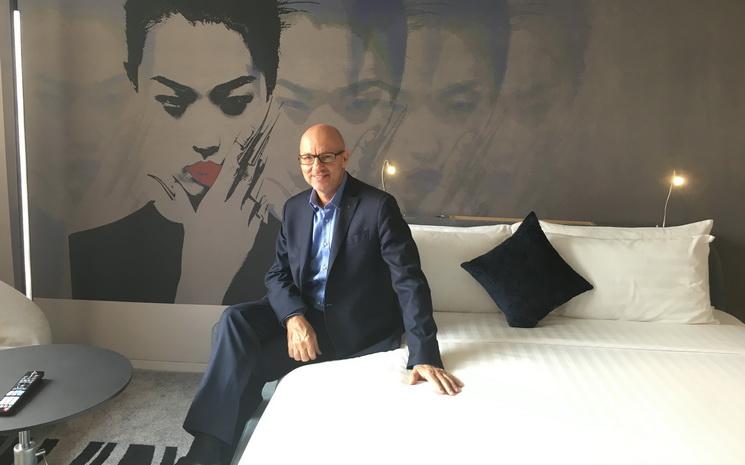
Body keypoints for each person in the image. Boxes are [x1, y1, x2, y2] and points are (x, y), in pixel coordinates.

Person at [178, 124, 463, 465]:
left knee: (246, 364)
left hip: (348, 327)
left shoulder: (378, 206)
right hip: (303, 312)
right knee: (232, 321)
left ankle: (207, 455)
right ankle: (208, 452)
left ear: (344, 157)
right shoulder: (294, 208)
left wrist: (425, 355)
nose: (316, 166)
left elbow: (409, 281)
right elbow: (278, 274)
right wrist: (293, 318)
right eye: (308, 158)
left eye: (326, 156)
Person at [68, 0, 285, 304]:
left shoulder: (303, 249)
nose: (205, 140)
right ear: (134, 85)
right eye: (171, 101)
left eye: (235, 102)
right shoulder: (89, 253)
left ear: (268, 93)